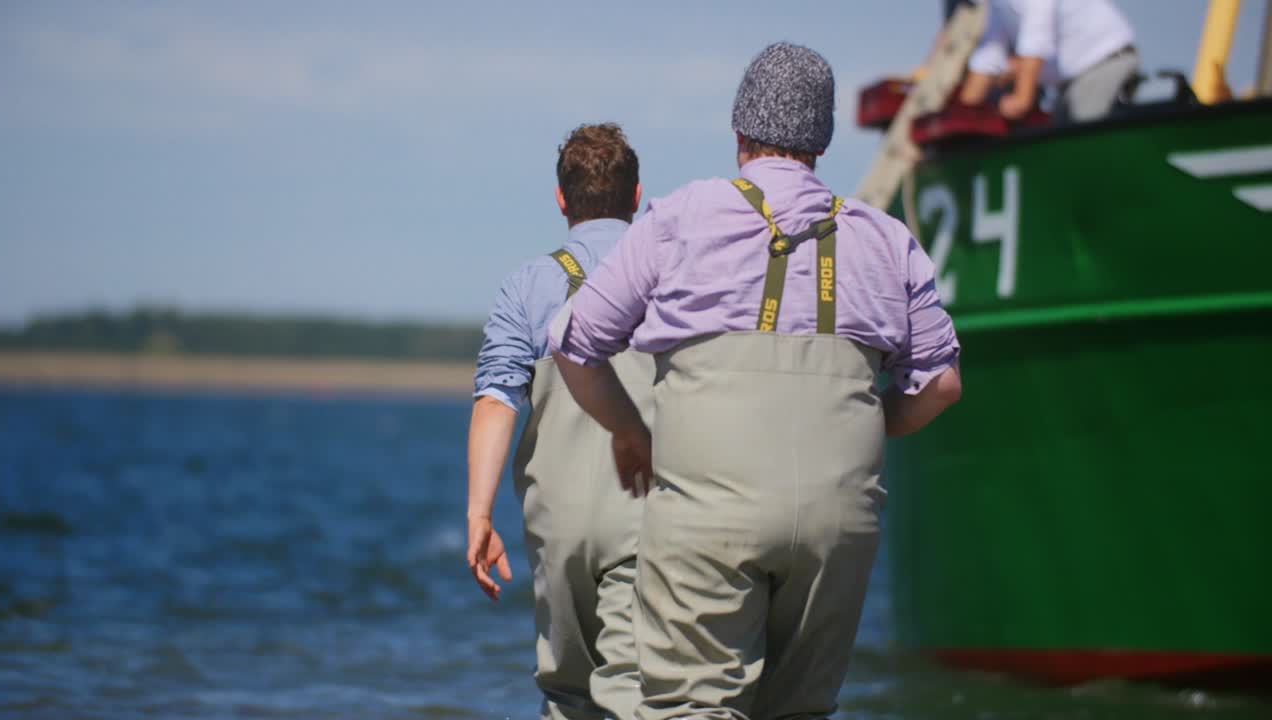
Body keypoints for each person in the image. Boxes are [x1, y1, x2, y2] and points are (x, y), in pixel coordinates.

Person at [548, 43, 962, 718]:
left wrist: (629, 431)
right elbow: (941, 385)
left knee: (692, 707)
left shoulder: (681, 217)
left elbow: (575, 343)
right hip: (839, 514)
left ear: (740, 133)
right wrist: (858, 421)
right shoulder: (886, 238)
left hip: (711, 508)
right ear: (821, 142)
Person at [466, 123, 654, 720]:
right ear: (637, 196)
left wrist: (479, 513)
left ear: (561, 199)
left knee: (569, 695)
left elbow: (497, 397)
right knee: (640, 688)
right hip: (654, 509)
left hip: (560, 525)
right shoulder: (675, 274)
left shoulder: (527, 287)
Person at [959, 0, 1139, 123]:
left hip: (1105, 61)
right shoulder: (999, 4)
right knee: (1060, 134)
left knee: (1083, 129)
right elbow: (988, 56)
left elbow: (1036, 41)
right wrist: (964, 114)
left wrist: (1021, 99)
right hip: (1070, 80)